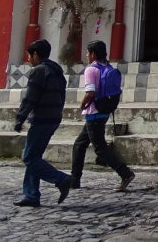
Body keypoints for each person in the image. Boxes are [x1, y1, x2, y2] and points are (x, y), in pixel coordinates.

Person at [13, 39, 72, 207]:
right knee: (35, 156)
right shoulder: (56, 69)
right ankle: (31, 194)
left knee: (29, 158)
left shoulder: (38, 71)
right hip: (53, 117)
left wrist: (20, 118)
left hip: (42, 118)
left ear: (36, 55)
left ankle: (61, 179)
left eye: (30, 56)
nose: (29, 60)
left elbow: (30, 98)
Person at [70, 40, 135, 191]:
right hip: (104, 111)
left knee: (100, 148)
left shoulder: (91, 70)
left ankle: (125, 173)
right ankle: (74, 180)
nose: (86, 55)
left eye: (88, 52)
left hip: (93, 112)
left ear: (93, 54)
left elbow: (90, 92)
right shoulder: (108, 67)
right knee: (79, 145)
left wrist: (82, 105)